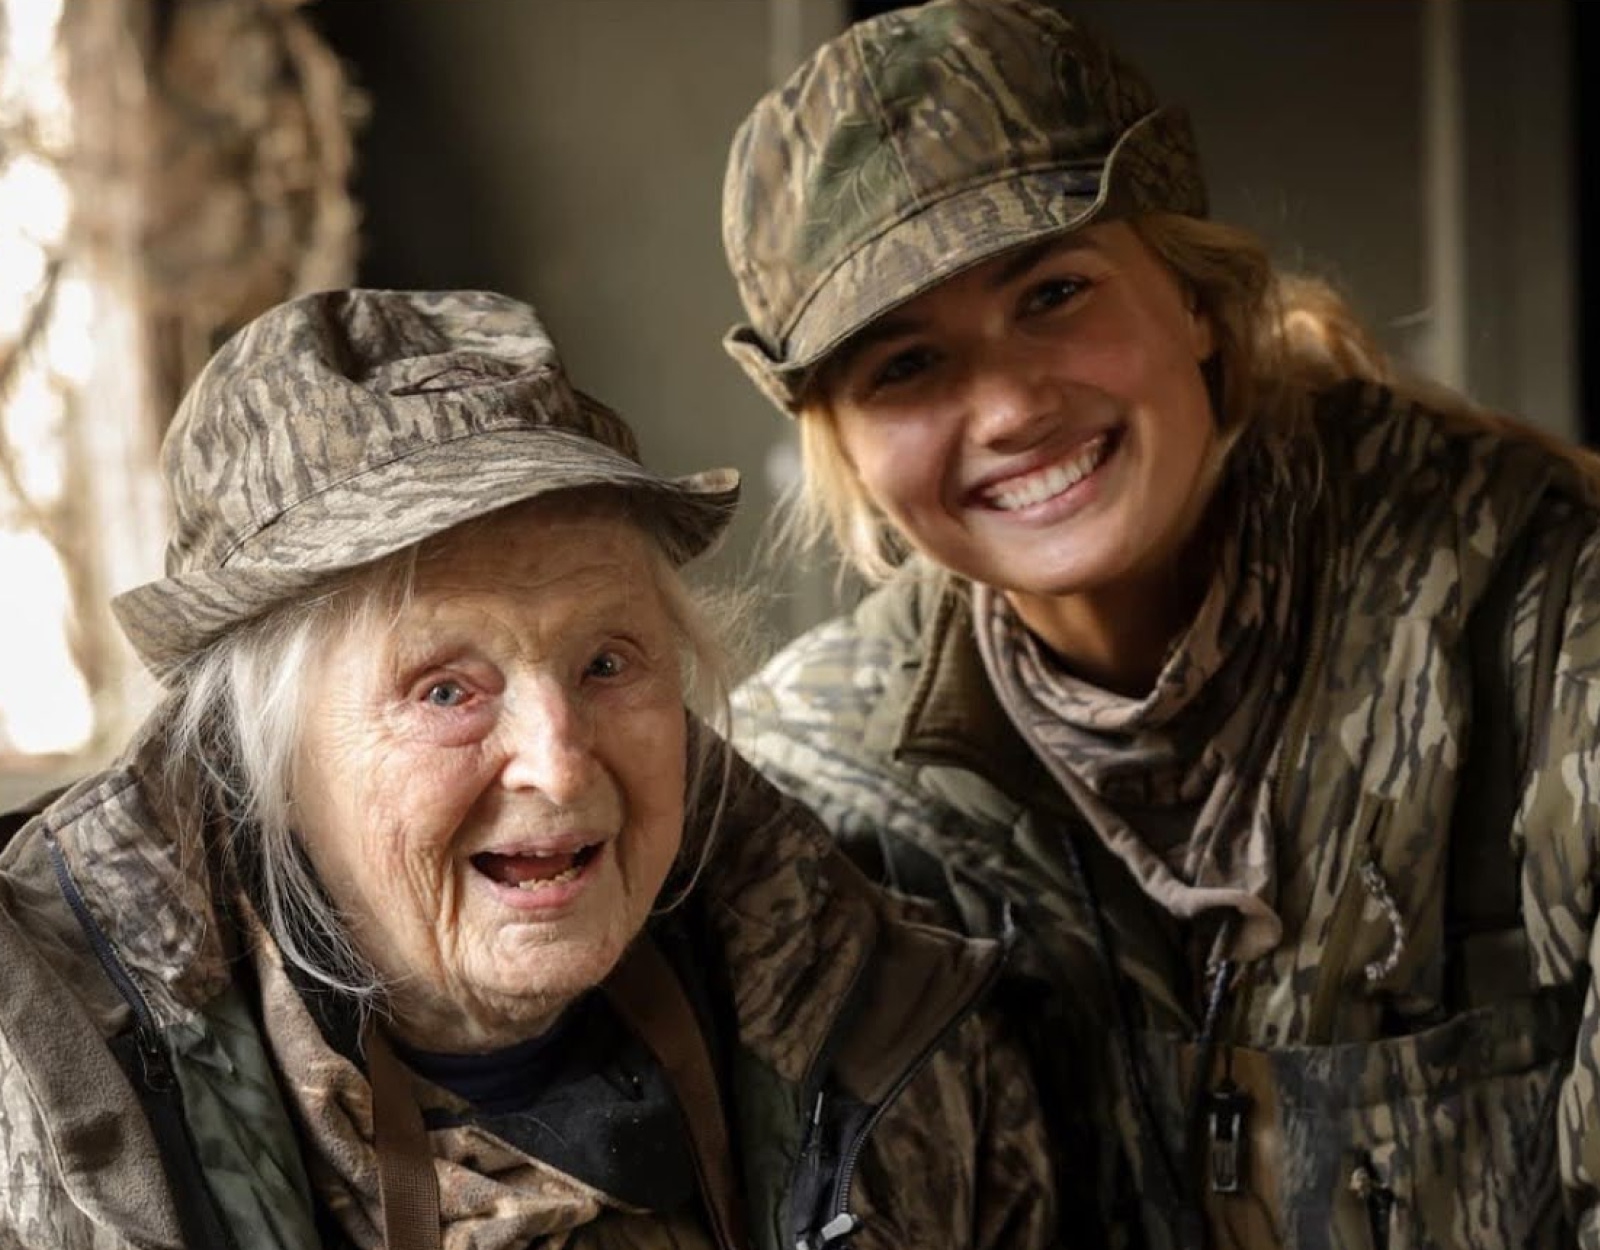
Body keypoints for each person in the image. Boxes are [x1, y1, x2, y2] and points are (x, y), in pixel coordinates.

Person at [718, 2, 1600, 1248]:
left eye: (1054, 291)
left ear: (1191, 298)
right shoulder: (820, 785)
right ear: (846, 451)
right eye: (904, 364)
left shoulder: (1544, 612)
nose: (1013, 404)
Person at [0, 289, 1057, 1250]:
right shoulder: (57, 1110)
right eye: (446, 690)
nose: (556, 762)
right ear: (261, 762)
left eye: (607, 661)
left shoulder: (880, 1006)